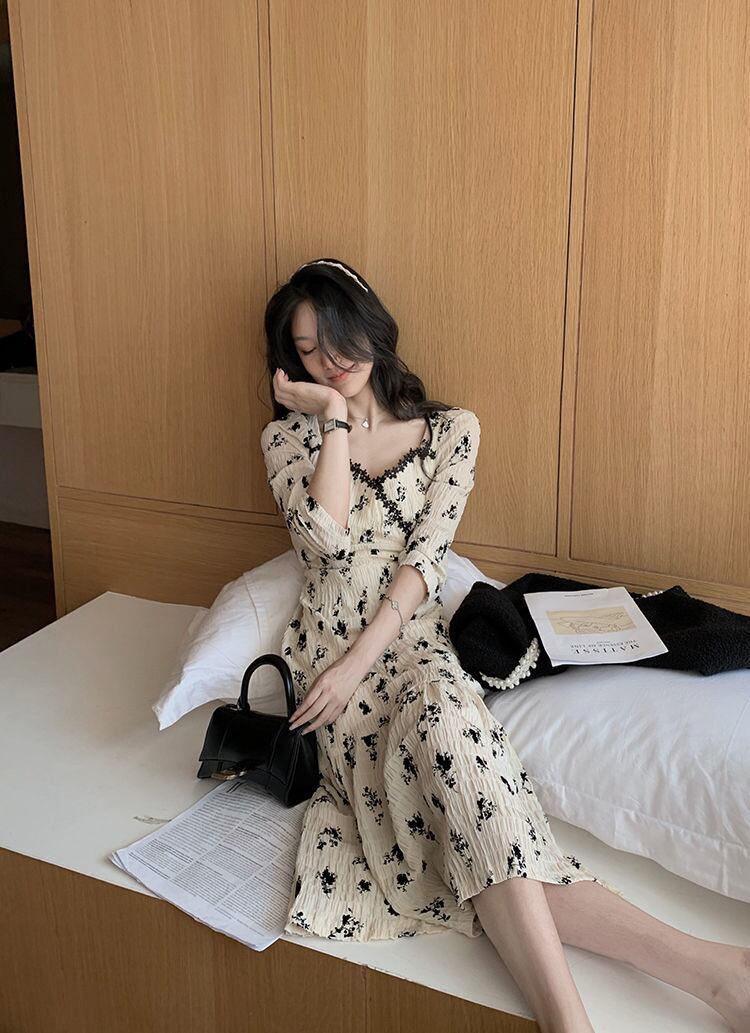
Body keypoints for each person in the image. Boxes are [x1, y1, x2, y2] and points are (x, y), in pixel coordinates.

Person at [260, 258, 749, 1033]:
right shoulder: (289, 438)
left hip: (412, 645)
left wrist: (363, 661)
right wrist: (331, 418)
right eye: (308, 350)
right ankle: (705, 976)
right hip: (331, 672)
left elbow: (427, 561)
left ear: (371, 324)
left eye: (339, 336)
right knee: (471, 809)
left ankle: (599, 1014)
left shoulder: (452, 430)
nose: (332, 360)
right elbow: (322, 539)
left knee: (454, 740)